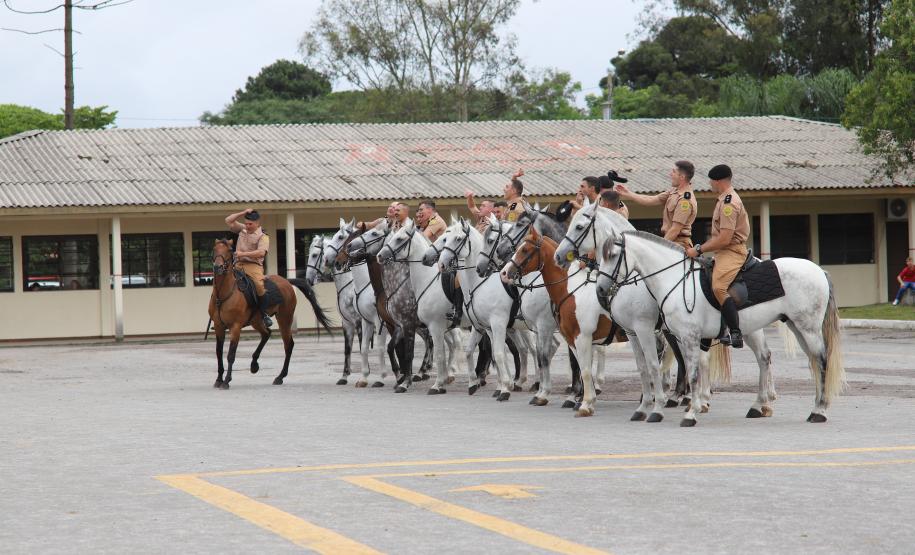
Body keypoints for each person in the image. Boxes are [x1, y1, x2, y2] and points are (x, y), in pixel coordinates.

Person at [686, 164, 749, 348]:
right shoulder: (723, 199)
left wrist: (698, 249)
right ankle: (710, 330)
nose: (709, 183)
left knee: (719, 287)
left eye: (711, 180)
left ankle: (735, 332)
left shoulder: (729, 203)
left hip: (732, 251)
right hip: (722, 252)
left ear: (718, 181)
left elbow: (724, 238)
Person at [615, 160, 698, 249]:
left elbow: (675, 230)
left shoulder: (685, 201)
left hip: (679, 244)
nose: (670, 174)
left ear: (682, 177)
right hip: (670, 242)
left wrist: (658, 247)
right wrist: (628, 193)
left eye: (674, 172)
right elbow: (650, 199)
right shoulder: (674, 191)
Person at [226, 208, 273, 328]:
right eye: (246, 223)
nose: (247, 226)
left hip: (253, 266)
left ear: (257, 223)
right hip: (237, 264)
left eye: (250, 224)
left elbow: (261, 253)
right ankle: (220, 314)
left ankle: (264, 314)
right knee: (223, 279)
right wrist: (243, 212)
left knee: (259, 285)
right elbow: (228, 220)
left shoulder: (263, 236)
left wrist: (243, 254)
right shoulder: (242, 229)